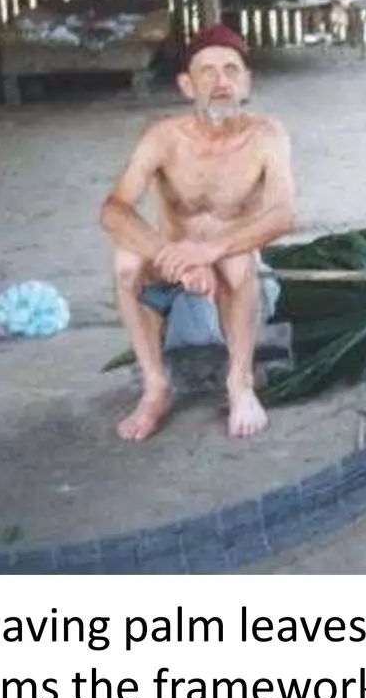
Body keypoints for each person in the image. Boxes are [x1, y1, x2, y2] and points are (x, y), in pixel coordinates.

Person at [99, 24, 296, 442]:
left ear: (246, 81)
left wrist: (208, 252)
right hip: (175, 273)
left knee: (239, 258)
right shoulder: (164, 138)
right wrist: (170, 256)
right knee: (126, 260)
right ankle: (156, 388)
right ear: (187, 85)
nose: (220, 81)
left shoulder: (267, 136)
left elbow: (282, 216)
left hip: (232, 274)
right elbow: (114, 211)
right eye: (206, 72)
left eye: (230, 69)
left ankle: (239, 384)